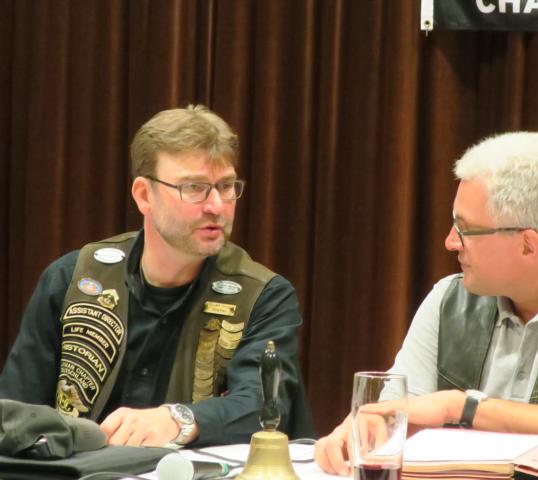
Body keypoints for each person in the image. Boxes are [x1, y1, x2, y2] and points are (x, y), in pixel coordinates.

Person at [315, 131, 538, 474]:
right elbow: (394, 418)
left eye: (465, 229)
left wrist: (462, 407)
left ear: (527, 244)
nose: (450, 242)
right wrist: (364, 431)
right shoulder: (448, 300)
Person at [0, 105, 313, 448]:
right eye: (194, 187)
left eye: (225, 186)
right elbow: (14, 412)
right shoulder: (71, 279)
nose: (216, 206)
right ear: (144, 195)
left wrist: (178, 419)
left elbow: (263, 408)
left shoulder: (264, 296)